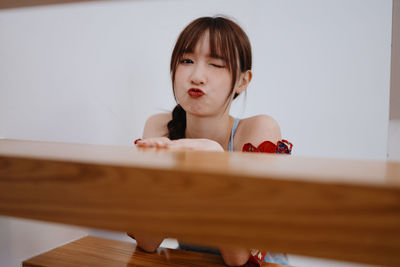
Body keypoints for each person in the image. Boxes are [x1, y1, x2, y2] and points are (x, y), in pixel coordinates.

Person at [129, 16, 292, 266]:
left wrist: (216, 161)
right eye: (186, 61)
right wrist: (166, 172)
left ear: (242, 81)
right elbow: (147, 242)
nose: (197, 76)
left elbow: (240, 258)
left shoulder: (258, 131)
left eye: (216, 64)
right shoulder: (160, 127)